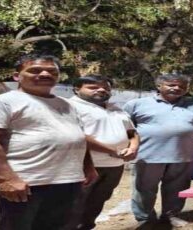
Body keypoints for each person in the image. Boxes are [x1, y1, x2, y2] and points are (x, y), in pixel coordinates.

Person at [0, 54, 98, 230]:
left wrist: (88, 166)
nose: (45, 74)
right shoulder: (2, 102)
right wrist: (7, 178)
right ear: (17, 76)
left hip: (68, 180)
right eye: (35, 70)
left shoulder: (67, 105)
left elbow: (77, 137)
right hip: (26, 182)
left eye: (52, 71)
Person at [123, 73, 193, 228]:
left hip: (184, 155)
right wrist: (130, 146)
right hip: (148, 155)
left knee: (177, 188)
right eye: (171, 85)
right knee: (144, 189)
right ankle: (145, 218)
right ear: (159, 86)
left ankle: (170, 215)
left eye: (181, 86)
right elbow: (126, 127)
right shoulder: (137, 104)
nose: (176, 88)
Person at [65, 75, 141, 230]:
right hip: (85, 165)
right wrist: (112, 150)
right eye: (93, 87)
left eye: (106, 88)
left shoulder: (115, 108)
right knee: (73, 205)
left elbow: (131, 132)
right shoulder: (69, 107)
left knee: (97, 202)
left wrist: (133, 148)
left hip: (115, 165)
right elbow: (77, 136)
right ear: (77, 89)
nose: (101, 90)